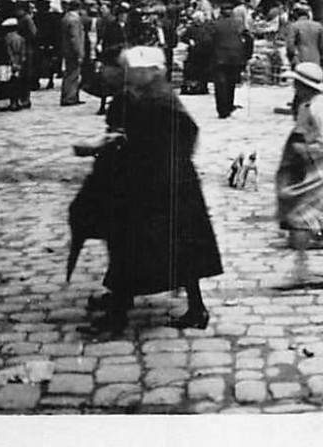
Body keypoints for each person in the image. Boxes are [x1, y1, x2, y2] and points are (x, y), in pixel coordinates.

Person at [80, 46, 223, 335]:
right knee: (176, 246)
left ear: (149, 72)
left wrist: (113, 145)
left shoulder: (155, 99)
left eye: (133, 70)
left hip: (156, 183)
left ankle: (119, 314)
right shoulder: (153, 94)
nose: (128, 74)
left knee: (130, 244)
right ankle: (192, 307)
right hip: (167, 181)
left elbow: (179, 134)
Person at [275, 63, 323, 292]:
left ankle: (303, 268)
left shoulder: (321, 109)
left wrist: (303, 150)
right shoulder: (310, 105)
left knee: (301, 215)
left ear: (303, 85)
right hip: (318, 169)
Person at [283, 4, 323, 118]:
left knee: (301, 85)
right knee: (313, 83)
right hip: (315, 58)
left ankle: (299, 109)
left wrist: (291, 58)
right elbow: (321, 45)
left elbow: (290, 46)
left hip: (301, 58)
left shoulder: (294, 26)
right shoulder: (318, 26)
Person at [206, 2, 247, 119]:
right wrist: (245, 56)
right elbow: (248, 38)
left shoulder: (215, 24)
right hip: (236, 57)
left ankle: (222, 110)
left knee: (220, 84)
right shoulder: (238, 24)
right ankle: (229, 106)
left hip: (219, 57)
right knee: (231, 83)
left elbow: (208, 41)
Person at [60, 0, 86, 106]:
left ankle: (68, 95)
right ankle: (70, 97)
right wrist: (80, 52)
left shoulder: (65, 18)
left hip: (66, 49)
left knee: (68, 73)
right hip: (73, 51)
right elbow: (75, 38)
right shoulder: (75, 19)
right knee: (73, 74)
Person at [1, 17, 30, 110]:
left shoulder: (6, 38)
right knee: (19, 81)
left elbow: (8, 51)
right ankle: (20, 101)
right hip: (19, 61)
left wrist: (12, 62)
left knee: (10, 83)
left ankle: (13, 102)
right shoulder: (21, 38)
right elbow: (23, 52)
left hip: (9, 62)